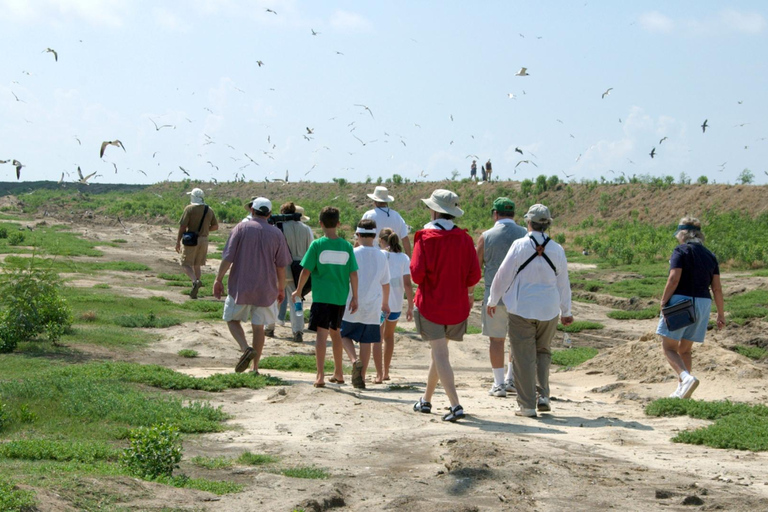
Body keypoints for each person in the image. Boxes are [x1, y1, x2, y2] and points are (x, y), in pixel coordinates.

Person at [487, 204, 573, 418]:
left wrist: (492, 299)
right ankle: (543, 395)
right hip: (549, 309)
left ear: (528, 222)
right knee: (543, 351)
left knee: (523, 356)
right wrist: (566, 310)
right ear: (548, 224)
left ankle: (527, 405)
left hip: (521, 308)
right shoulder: (558, 249)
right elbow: (563, 283)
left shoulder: (519, 245)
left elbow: (502, 275)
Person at [410, 189, 481, 422]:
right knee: (438, 354)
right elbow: (473, 276)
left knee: (440, 354)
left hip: (432, 305)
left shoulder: (425, 238)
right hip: (457, 307)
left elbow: (417, 275)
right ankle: (426, 400)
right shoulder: (465, 239)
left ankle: (455, 405)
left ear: (433, 210)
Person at [213, 197, 292, 374]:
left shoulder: (240, 228)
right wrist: (280, 289)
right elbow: (281, 266)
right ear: (269, 214)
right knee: (259, 327)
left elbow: (228, 257)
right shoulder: (277, 234)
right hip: (266, 288)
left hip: (242, 285)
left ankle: (245, 348)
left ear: (252, 211)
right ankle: (255, 367)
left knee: (231, 319)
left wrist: (218, 279)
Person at [657, 217, 725, 399]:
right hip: (704, 302)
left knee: (669, 347)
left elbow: (673, 279)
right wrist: (720, 313)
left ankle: (685, 378)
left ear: (682, 234)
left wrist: (663, 302)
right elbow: (717, 287)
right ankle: (682, 390)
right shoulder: (710, 256)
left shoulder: (681, 250)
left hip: (682, 302)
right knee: (685, 349)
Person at [292, 207, 359, 388]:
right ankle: (339, 372)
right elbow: (353, 274)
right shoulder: (346, 246)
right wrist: (355, 297)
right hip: (339, 297)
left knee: (321, 335)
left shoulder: (317, 245)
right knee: (336, 333)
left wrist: (298, 291)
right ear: (338, 224)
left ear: (320, 223)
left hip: (322, 297)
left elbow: (306, 270)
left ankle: (320, 375)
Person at [476, 198, 528, 398]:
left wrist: (470, 291)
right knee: (516, 340)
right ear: (513, 214)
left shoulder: (486, 236)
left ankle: (498, 384)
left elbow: (476, 267)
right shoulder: (525, 234)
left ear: (495, 214)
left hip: (494, 297)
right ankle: (511, 379)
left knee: (496, 341)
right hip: (520, 297)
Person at [340, 219, 390, 389]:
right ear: (375, 236)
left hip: (352, 302)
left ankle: (354, 360)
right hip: (373, 305)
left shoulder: (352, 253)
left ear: (358, 235)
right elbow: (385, 282)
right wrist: (385, 304)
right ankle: (360, 378)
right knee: (366, 341)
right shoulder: (382, 255)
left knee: (343, 334)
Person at [265, 203, 315, 342]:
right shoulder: (306, 229)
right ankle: (298, 330)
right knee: (296, 300)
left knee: (275, 298)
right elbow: (310, 249)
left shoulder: (278, 227)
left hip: (282, 267)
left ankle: (269, 327)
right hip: (300, 268)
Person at [377, 228, 414, 382]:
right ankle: (386, 371)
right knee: (389, 336)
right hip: (396, 304)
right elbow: (407, 284)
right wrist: (411, 305)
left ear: (381, 240)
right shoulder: (404, 258)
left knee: (377, 337)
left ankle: (378, 373)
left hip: (379, 303)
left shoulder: (380, 255)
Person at [175, 188, 218, 299]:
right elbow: (215, 226)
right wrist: (204, 230)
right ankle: (196, 288)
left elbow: (183, 227)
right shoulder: (209, 209)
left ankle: (195, 282)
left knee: (185, 263)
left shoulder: (189, 209)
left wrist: (178, 241)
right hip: (204, 240)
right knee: (197, 264)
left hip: (191, 239)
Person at [361, 186, 412, 256]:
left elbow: (360, 237)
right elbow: (405, 239)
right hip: (394, 257)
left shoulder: (368, 215)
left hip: (373, 256)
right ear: (387, 201)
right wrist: (408, 259)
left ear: (374, 201)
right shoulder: (397, 216)